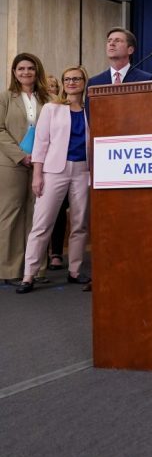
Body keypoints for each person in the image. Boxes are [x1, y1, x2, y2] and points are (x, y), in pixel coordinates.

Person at [17, 66, 92, 293]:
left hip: (83, 171)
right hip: (53, 171)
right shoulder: (52, 108)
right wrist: (37, 175)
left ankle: (75, 271)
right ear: (63, 83)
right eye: (67, 79)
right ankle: (29, 275)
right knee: (41, 224)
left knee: (79, 224)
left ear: (84, 82)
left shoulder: (92, 109)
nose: (71, 82)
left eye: (76, 79)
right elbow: (40, 144)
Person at [1, 53, 51, 285]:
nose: (26, 73)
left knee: (37, 215)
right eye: (21, 69)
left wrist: (39, 157)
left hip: (42, 163)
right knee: (10, 216)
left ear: (37, 71)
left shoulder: (48, 98)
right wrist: (21, 156)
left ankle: (35, 269)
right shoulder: (5, 98)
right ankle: (10, 270)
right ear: (14, 72)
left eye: (30, 68)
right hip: (11, 163)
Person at [45, 74, 70, 271]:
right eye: (48, 86)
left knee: (59, 209)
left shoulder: (64, 108)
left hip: (61, 166)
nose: (51, 89)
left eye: (54, 86)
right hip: (32, 162)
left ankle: (56, 253)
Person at [87, 28, 152, 87]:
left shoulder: (146, 80)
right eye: (109, 41)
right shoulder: (94, 83)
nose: (111, 44)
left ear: (130, 50)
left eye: (117, 41)